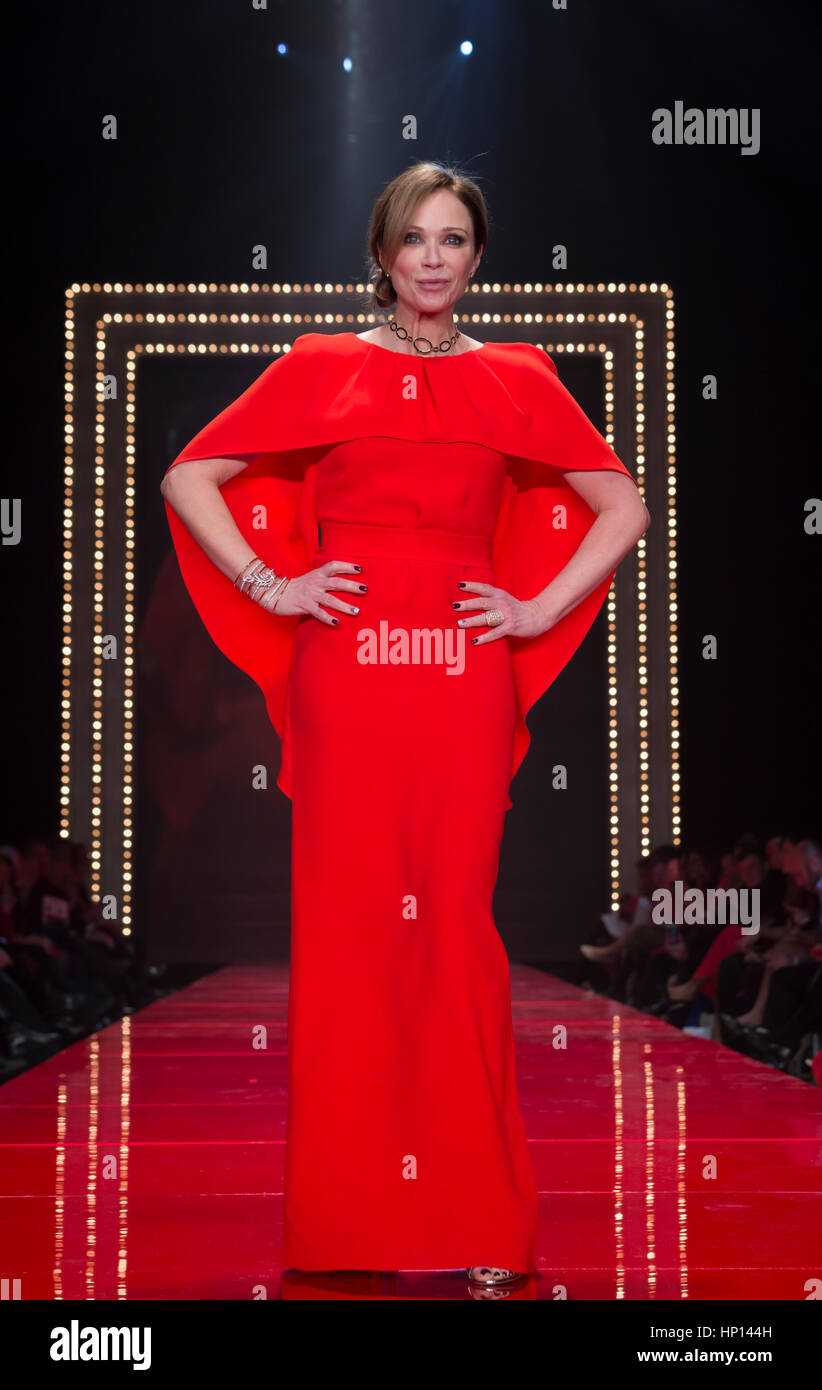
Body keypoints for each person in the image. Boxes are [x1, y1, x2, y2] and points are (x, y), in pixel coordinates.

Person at [160, 160, 649, 1285]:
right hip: (351, 678)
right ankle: (349, 1227)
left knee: (456, 937)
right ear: (382, 254)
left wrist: (534, 605)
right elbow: (193, 475)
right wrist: (273, 584)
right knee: (349, 941)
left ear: (478, 257)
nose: (435, 257)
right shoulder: (322, 366)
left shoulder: (519, 376)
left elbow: (623, 504)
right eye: (415, 238)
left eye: (455, 238)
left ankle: (477, 1226)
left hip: (463, 674)